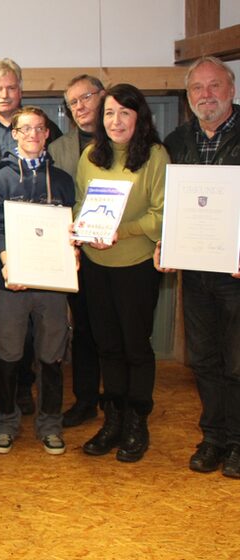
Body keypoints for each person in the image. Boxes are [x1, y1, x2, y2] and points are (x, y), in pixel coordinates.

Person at [0, 58, 62, 419]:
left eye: (10, 87)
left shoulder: (45, 128)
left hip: (40, 245)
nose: (4, 94)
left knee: (33, 322)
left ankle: (24, 386)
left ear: (21, 89)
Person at [75, 83, 168, 463]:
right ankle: (111, 420)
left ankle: (136, 422)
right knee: (107, 346)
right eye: (109, 113)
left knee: (135, 346)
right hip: (97, 267)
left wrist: (121, 232)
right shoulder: (89, 156)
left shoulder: (156, 156)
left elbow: (161, 215)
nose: (116, 121)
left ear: (138, 117)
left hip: (136, 268)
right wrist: (83, 233)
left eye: (124, 113)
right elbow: (81, 204)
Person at [159, 56, 240, 478]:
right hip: (195, 270)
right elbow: (168, 203)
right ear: (189, 97)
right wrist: (167, 244)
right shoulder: (176, 141)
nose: (206, 95)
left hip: (236, 271)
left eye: (214, 86)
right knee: (205, 359)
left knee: (238, 360)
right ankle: (214, 438)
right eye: (197, 89)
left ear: (231, 89)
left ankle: (239, 441)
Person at [0, 106, 74, 455]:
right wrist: (10, 263)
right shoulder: (1, 179)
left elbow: (71, 227)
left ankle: (50, 423)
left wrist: (74, 251)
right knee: (8, 353)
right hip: (12, 281)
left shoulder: (64, 179)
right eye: (26, 129)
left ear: (47, 134)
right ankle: (6, 421)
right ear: (15, 134)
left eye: (39, 129)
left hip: (53, 284)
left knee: (51, 355)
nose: (33, 135)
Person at [49, 75, 106, 428]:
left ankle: (118, 401)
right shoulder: (60, 148)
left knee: (113, 332)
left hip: (118, 254)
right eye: (73, 102)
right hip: (74, 255)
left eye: (86, 97)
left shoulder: (124, 138)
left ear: (103, 96)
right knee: (83, 330)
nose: (80, 106)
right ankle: (86, 400)